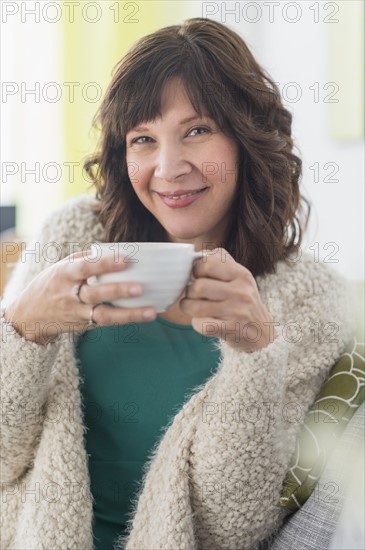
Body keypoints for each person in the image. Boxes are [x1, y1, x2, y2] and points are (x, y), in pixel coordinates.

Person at [0, 17, 352, 550]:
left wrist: (255, 351)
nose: (168, 168)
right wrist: (24, 327)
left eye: (196, 130)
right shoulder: (71, 236)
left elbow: (232, 525)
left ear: (246, 138)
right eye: (143, 138)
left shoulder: (310, 301)